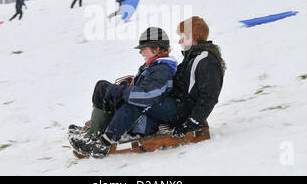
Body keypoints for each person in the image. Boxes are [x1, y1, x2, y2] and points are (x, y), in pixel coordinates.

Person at [69, 27, 178, 158]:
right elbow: (141, 88)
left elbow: (146, 95)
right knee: (102, 87)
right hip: (137, 115)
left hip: (144, 122)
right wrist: (125, 85)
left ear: (157, 48)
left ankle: (103, 143)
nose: (141, 52)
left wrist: (121, 92)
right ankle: (94, 131)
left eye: (144, 48)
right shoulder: (153, 66)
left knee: (134, 102)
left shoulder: (162, 70)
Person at [169, 16, 226, 137]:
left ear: (192, 37)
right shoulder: (193, 56)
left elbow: (209, 96)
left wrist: (191, 123)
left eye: (182, 37)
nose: (180, 41)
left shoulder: (205, 60)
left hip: (183, 111)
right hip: (179, 105)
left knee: (144, 105)